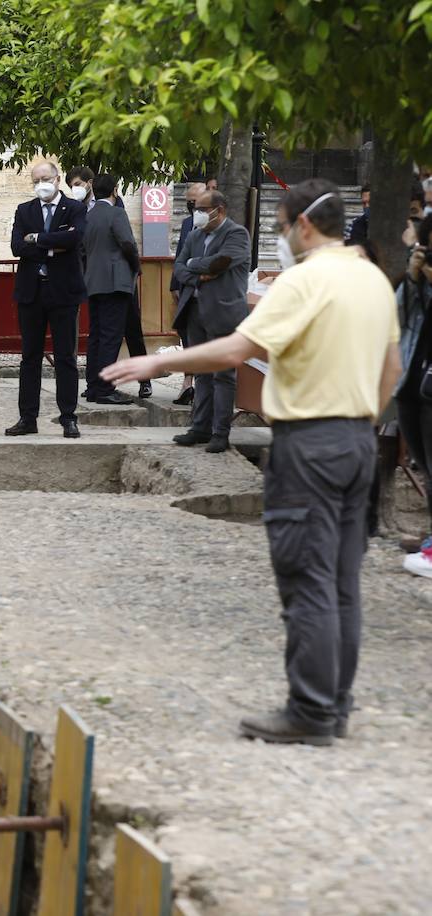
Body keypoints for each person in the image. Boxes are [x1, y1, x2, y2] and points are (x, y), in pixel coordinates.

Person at [104, 179, 401, 747]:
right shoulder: (372, 279)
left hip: (309, 443)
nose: (282, 238)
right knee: (342, 580)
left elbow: (236, 349)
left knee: (306, 576)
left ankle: (310, 711)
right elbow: (391, 367)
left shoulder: (303, 280)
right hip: (357, 440)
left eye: (283, 227)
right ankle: (334, 703)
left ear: (303, 226)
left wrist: (159, 365)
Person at [5, 161, 87, 439]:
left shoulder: (74, 208)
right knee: (30, 357)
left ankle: (68, 417)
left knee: (65, 357)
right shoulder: (24, 210)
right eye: (36, 180)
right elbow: (17, 246)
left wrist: (38, 239)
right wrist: (54, 247)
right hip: (32, 291)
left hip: (63, 292)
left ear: (57, 178)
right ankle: (28, 417)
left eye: (46, 178)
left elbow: (75, 239)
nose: (41, 183)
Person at [171, 190, 251, 453]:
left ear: (220, 210)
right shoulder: (194, 235)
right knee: (201, 373)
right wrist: (197, 274)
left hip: (223, 312)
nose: (198, 214)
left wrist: (195, 264)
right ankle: (199, 428)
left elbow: (220, 264)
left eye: (203, 209)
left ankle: (220, 433)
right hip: (194, 310)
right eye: (196, 208)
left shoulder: (237, 234)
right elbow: (179, 268)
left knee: (223, 375)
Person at [81, 174, 140, 406]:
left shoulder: (89, 215)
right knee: (111, 336)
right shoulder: (117, 213)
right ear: (115, 190)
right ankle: (105, 387)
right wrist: (135, 265)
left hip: (94, 281)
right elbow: (127, 243)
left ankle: (93, 385)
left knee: (96, 335)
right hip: (116, 281)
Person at [396, 219, 432, 577]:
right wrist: (412, 275)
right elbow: (401, 315)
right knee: (425, 464)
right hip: (412, 382)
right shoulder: (418, 279)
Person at [170, 182, 208, 406]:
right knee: (186, 335)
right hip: (185, 289)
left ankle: (199, 386)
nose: (192, 207)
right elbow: (180, 258)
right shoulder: (187, 223)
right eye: (189, 203)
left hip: (206, 291)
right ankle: (187, 382)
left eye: (196, 203)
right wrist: (175, 284)